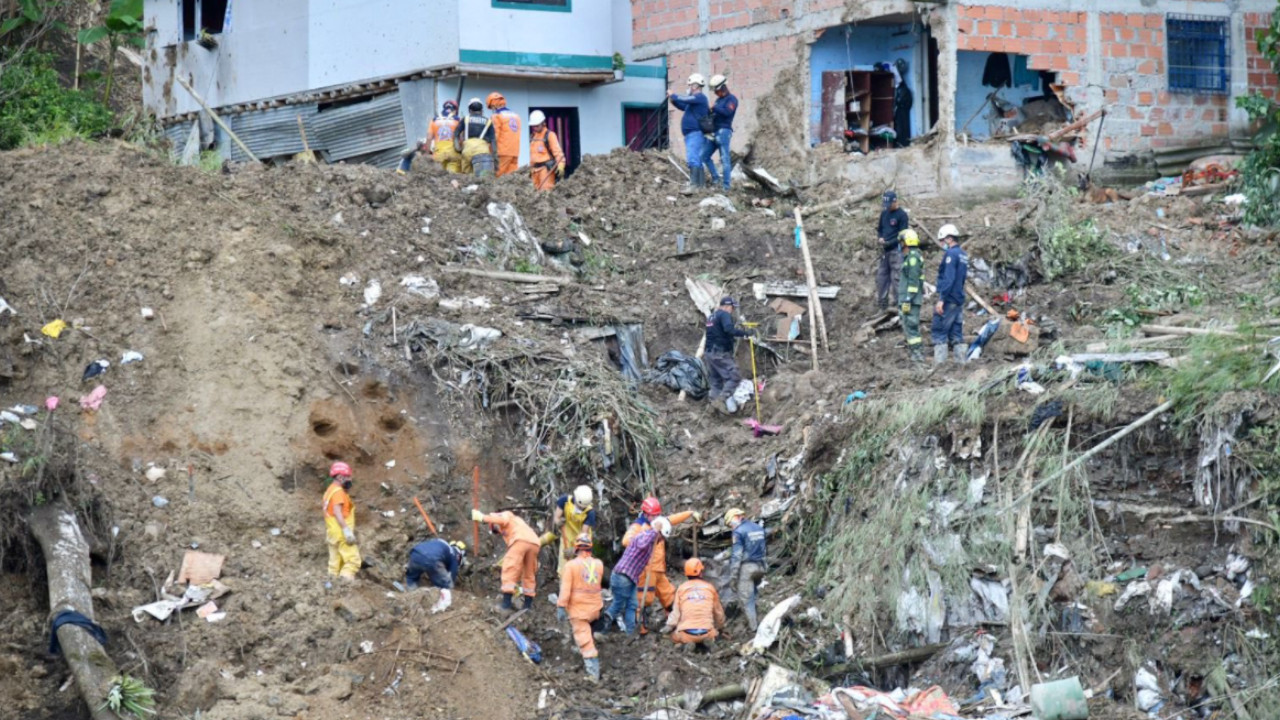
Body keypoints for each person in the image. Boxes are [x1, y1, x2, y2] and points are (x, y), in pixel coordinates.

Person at [624, 503, 701, 633]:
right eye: (654, 515)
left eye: (657, 514)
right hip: (645, 570)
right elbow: (626, 541)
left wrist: (690, 513)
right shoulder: (638, 526)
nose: (656, 517)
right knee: (643, 598)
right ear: (646, 514)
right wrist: (645, 536)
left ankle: (675, 621)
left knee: (669, 595)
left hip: (658, 569)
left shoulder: (658, 522)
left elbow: (672, 519)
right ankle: (639, 628)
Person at [600, 516, 671, 636]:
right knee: (619, 604)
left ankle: (630, 633)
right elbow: (643, 543)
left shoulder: (650, 543)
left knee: (632, 605)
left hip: (631, 578)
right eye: (662, 537)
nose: (661, 540)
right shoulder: (643, 536)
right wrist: (655, 531)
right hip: (623, 576)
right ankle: (602, 627)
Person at [471, 507, 541, 612]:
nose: (497, 531)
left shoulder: (506, 515)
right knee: (529, 573)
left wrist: (482, 518)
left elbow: (501, 519)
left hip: (520, 540)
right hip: (534, 543)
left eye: (494, 529)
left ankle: (506, 603)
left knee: (510, 567)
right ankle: (527, 606)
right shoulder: (517, 522)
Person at [557, 532, 604, 681]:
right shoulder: (599, 564)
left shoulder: (570, 566)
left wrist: (561, 606)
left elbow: (565, 590)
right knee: (588, 634)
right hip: (596, 608)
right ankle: (595, 638)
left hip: (579, 610)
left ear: (576, 548)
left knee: (584, 639)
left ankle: (593, 674)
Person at [662, 558, 725, 650]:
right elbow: (718, 613)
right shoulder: (710, 588)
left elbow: (675, 614)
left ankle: (685, 645)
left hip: (686, 634)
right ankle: (708, 641)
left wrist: (668, 626)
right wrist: (720, 627)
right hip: (707, 632)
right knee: (714, 633)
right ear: (700, 572)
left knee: (674, 637)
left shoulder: (681, 589)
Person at [704, 296, 753, 413]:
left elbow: (718, 332)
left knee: (716, 381)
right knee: (734, 376)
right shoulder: (724, 314)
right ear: (727, 306)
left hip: (709, 353)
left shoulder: (712, 316)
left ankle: (714, 408)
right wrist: (745, 333)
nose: (733, 311)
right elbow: (728, 329)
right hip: (719, 352)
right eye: (732, 308)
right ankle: (721, 399)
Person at [931, 224, 969, 366]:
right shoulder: (963, 255)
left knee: (939, 329)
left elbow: (948, 278)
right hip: (958, 297)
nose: (941, 244)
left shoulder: (951, 255)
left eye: (942, 240)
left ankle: (939, 366)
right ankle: (961, 364)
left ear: (948, 238)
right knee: (956, 331)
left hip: (950, 298)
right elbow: (962, 278)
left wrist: (941, 299)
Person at [724, 508, 766, 630]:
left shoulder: (738, 532)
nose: (731, 527)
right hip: (760, 566)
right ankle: (761, 620)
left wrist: (733, 577)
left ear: (736, 517)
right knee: (754, 595)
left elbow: (737, 556)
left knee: (747, 601)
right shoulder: (758, 528)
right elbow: (763, 549)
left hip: (747, 568)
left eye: (730, 524)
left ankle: (754, 629)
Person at [670, 73, 710, 194]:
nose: (689, 88)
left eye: (690, 85)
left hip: (695, 133)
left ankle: (694, 186)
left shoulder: (700, 98)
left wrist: (674, 95)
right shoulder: (693, 103)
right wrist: (672, 100)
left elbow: (683, 99)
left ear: (695, 86)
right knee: (696, 158)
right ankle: (700, 186)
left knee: (693, 158)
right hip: (691, 134)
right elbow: (682, 105)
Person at [322, 462, 361, 582]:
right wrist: (346, 530)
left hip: (332, 532)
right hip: (341, 532)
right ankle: (346, 585)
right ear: (340, 477)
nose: (350, 479)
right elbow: (337, 511)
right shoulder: (338, 492)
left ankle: (332, 585)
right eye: (348, 476)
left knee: (334, 563)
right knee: (352, 560)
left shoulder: (330, 490)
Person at [405, 538, 466, 613]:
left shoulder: (441, 542)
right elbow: (451, 576)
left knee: (411, 577)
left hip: (415, 553)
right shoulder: (455, 555)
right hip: (433, 559)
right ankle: (440, 606)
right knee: (446, 586)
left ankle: (410, 595)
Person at [700, 74, 738, 191]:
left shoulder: (732, 99)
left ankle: (726, 186)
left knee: (725, 159)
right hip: (714, 133)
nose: (715, 93)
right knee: (703, 156)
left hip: (724, 132)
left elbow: (727, 112)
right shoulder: (718, 100)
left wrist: (714, 108)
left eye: (716, 91)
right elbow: (714, 113)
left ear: (722, 87)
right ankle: (716, 178)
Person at [874, 191, 910, 311]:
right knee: (881, 277)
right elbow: (879, 229)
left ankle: (899, 305)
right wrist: (880, 238)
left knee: (897, 278)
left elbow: (903, 235)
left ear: (895, 201)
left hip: (896, 251)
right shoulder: (884, 213)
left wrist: (890, 242)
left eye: (889, 204)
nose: (888, 206)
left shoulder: (902, 215)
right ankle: (883, 304)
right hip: (884, 252)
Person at [552, 485, 596, 577]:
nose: (580, 509)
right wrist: (559, 522)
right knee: (564, 569)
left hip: (583, 542)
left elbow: (584, 535)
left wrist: (575, 549)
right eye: (579, 507)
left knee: (581, 569)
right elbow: (556, 517)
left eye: (582, 508)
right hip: (567, 536)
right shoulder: (564, 501)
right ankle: (564, 587)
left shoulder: (590, 513)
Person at [897, 228, 925, 363]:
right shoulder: (911, 257)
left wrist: (908, 299)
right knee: (908, 325)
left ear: (906, 242)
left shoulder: (913, 258)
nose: (900, 244)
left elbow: (913, 281)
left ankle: (917, 354)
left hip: (911, 300)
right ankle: (915, 352)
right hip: (908, 299)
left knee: (911, 325)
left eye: (901, 242)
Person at [456, 98, 496, 177]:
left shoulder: (465, 119)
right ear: (481, 110)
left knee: (466, 178)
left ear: (469, 110)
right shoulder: (488, 121)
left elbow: (456, 134)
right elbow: (493, 139)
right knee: (483, 179)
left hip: (467, 151)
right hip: (482, 152)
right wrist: (494, 155)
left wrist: (458, 149)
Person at [528, 110, 566, 191]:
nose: (535, 128)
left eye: (537, 126)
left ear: (543, 123)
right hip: (535, 171)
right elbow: (532, 155)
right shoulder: (533, 137)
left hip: (546, 171)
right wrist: (530, 168)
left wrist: (561, 165)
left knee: (546, 193)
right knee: (534, 195)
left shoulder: (549, 135)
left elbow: (558, 152)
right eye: (533, 126)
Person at [486, 92, 521, 177]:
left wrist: (489, 151)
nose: (492, 110)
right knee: (511, 179)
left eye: (491, 107)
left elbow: (495, 136)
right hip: (515, 153)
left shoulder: (496, 116)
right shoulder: (516, 116)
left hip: (502, 153)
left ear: (494, 104)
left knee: (498, 179)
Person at [428, 100, 462, 173]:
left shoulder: (434, 120)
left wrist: (427, 153)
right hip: (453, 153)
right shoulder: (458, 120)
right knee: (453, 178)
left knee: (440, 179)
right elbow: (462, 138)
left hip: (438, 154)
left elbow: (429, 137)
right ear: (455, 110)